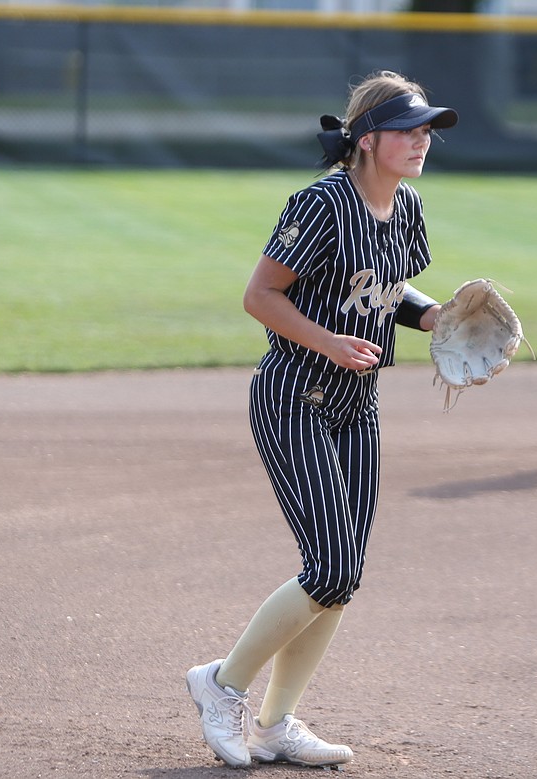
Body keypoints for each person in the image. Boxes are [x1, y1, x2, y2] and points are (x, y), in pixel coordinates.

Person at [185, 70, 457, 769]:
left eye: (427, 128)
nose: (422, 140)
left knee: (340, 575)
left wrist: (430, 315)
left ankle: (276, 724)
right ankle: (221, 686)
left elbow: (385, 288)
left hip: (356, 404)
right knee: (331, 566)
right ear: (366, 140)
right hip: (294, 393)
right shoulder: (322, 203)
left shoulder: (408, 208)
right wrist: (329, 341)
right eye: (409, 128)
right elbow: (261, 294)